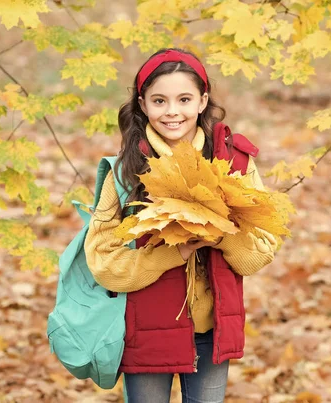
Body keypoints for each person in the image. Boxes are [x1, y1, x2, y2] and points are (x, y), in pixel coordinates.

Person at [84, 48, 278, 403]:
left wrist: (221, 236)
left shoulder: (233, 162)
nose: (172, 111)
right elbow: (103, 263)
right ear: (142, 104)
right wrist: (170, 254)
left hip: (213, 329)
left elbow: (262, 250)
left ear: (203, 101)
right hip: (144, 330)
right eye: (159, 101)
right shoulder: (126, 171)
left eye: (184, 99)